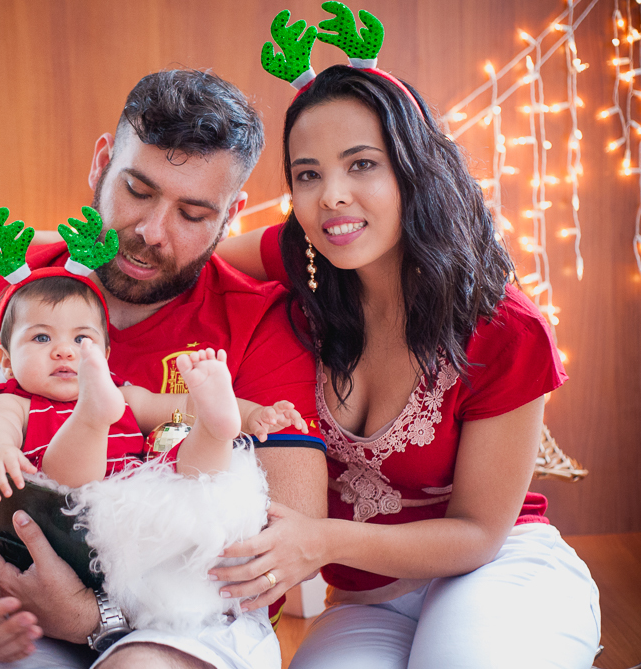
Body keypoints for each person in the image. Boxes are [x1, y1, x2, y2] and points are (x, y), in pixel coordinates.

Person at [0, 69, 328, 669]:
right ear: (102, 163)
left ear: (231, 214)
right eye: (138, 189)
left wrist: (96, 619)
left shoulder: (261, 323)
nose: (152, 233)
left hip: (186, 617)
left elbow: (283, 549)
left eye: (194, 213)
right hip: (18, 601)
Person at [200, 48, 601, 668]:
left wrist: (318, 540)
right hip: (370, 599)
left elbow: (478, 532)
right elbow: (189, 257)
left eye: (362, 164)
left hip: (498, 565)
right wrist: (62, 257)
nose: (333, 196)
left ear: (416, 171)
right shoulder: (307, 261)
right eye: (307, 174)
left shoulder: (504, 328)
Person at [0, 271, 307, 498]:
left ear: (105, 352)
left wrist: (253, 415)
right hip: (68, 509)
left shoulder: (125, 396)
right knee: (62, 478)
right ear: (6, 360)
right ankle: (90, 419)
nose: (64, 351)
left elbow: (183, 406)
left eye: (81, 338)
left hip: (140, 507)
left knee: (189, 464)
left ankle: (216, 430)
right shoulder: (15, 402)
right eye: (41, 337)